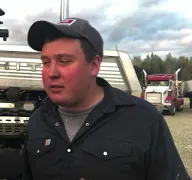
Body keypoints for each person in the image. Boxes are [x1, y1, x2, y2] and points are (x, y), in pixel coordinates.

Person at [22, 18, 191, 180]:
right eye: (45, 62)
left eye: (64, 61)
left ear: (94, 65)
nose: (51, 73)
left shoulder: (144, 119)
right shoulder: (38, 120)